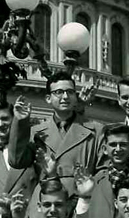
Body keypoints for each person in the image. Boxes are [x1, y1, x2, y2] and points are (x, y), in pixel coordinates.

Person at [12, 72, 103, 206]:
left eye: (70, 92)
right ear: (48, 98)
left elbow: (102, 171)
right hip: (47, 200)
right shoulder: (36, 132)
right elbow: (16, 161)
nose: (65, 97)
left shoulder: (96, 130)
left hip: (83, 199)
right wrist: (20, 123)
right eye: (59, 92)